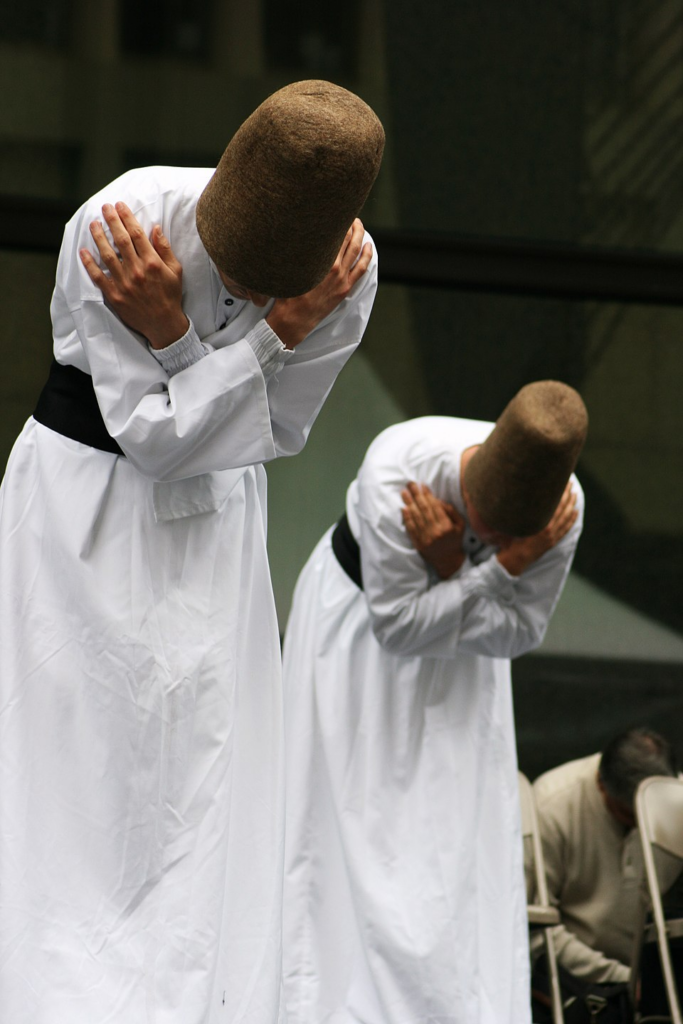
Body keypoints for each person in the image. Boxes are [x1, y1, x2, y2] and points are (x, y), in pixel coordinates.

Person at [0, 81, 384, 1024]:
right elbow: (154, 439)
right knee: (76, 752)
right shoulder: (125, 226)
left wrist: (189, 342)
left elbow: (272, 431)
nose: (253, 301)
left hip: (217, 523)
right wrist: (253, 344)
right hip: (84, 509)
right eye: (239, 281)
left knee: (199, 757)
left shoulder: (343, 279)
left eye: (270, 294)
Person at [281, 381, 588, 1024]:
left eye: (508, 538)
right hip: (359, 645)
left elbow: (519, 633)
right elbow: (398, 627)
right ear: (467, 482)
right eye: (484, 528)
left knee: (448, 835)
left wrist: (464, 568)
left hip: (468, 669)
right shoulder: (399, 466)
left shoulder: (562, 513)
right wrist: (498, 571)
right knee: (344, 813)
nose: (492, 539)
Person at [529, 728, 678, 989]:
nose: (642, 825)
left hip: (656, 979)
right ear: (600, 784)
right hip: (570, 984)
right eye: (630, 815)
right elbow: (535, 927)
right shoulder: (550, 806)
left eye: (649, 815)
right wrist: (623, 979)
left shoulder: (675, 802)